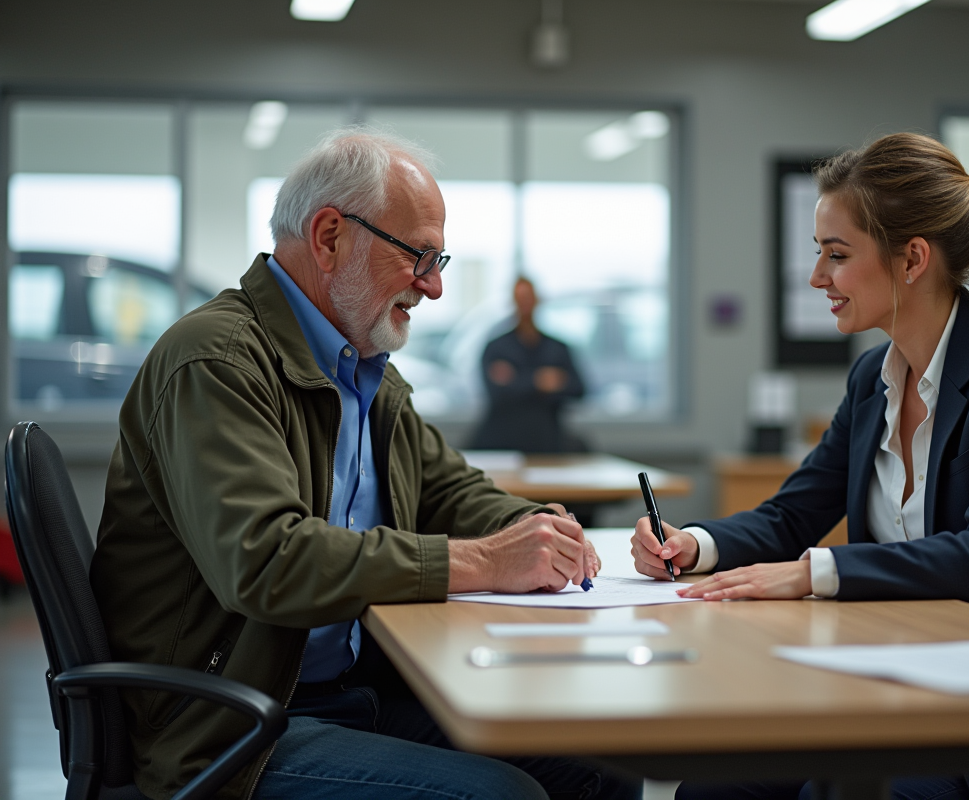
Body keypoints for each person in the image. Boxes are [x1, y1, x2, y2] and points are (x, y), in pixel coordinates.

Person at [91, 130, 639, 800]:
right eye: (419, 257)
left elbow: (450, 489)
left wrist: (536, 531)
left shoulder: (363, 370)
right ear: (329, 238)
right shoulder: (218, 361)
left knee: (601, 771)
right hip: (233, 721)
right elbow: (267, 561)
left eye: (439, 260)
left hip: (345, 692)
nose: (434, 287)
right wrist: (489, 562)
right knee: (502, 796)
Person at [629, 133, 969, 800]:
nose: (819, 277)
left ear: (912, 259)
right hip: (907, 674)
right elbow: (796, 512)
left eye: (836, 255)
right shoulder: (870, 382)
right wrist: (695, 544)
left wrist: (812, 574)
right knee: (715, 788)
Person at [469, 276, 587, 454]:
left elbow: (578, 389)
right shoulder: (497, 347)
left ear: (537, 299)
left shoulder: (557, 348)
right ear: (513, 301)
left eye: (528, 297)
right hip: (502, 442)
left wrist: (516, 380)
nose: (525, 303)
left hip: (548, 441)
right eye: (520, 298)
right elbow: (496, 393)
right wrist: (540, 381)